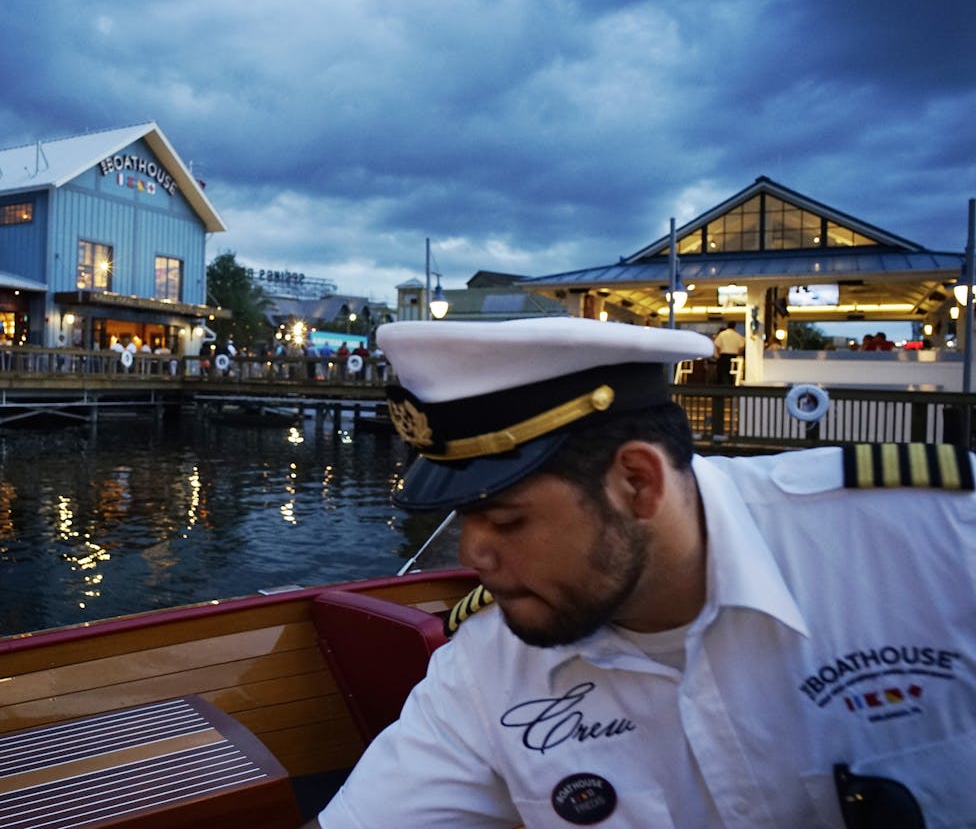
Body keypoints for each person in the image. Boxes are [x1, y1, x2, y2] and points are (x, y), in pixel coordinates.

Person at [307, 317, 975, 829]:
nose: (472, 557)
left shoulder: (939, 540)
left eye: (507, 521)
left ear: (637, 481)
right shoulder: (486, 664)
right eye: (462, 519)